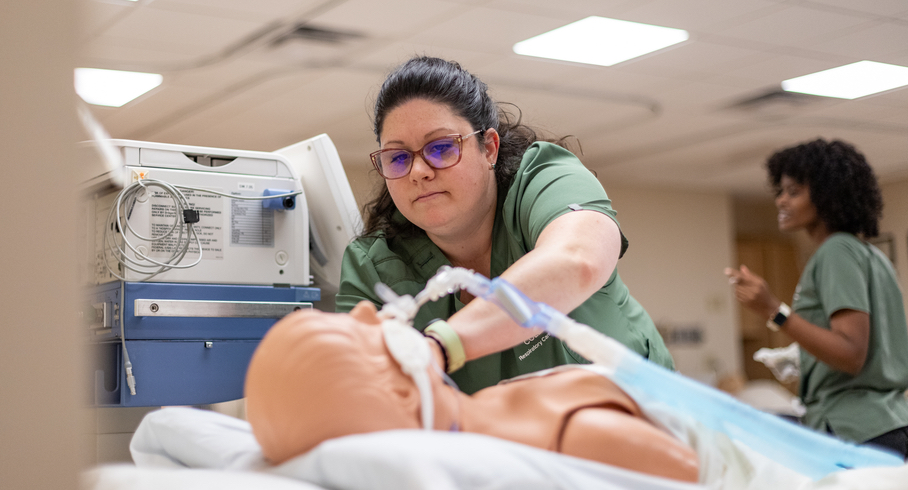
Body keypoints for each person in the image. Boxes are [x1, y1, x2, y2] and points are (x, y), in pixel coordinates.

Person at [336, 56, 673, 394]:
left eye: (441, 148)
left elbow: (577, 261)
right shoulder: (375, 264)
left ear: (490, 149)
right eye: (398, 157)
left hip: (644, 422)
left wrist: (440, 347)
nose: (419, 171)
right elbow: (360, 393)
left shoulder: (544, 180)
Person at [244, 303, 700, 482]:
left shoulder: (489, 407)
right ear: (404, 397)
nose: (366, 309)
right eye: (359, 331)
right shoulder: (573, 436)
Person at [726, 138, 908, 459]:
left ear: (828, 195)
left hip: (857, 429)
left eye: (794, 192)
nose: (781, 201)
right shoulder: (869, 254)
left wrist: (773, 310)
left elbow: (851, 353)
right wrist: (804, 359)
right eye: (780, 191)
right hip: (888, 422)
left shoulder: (835, 252)